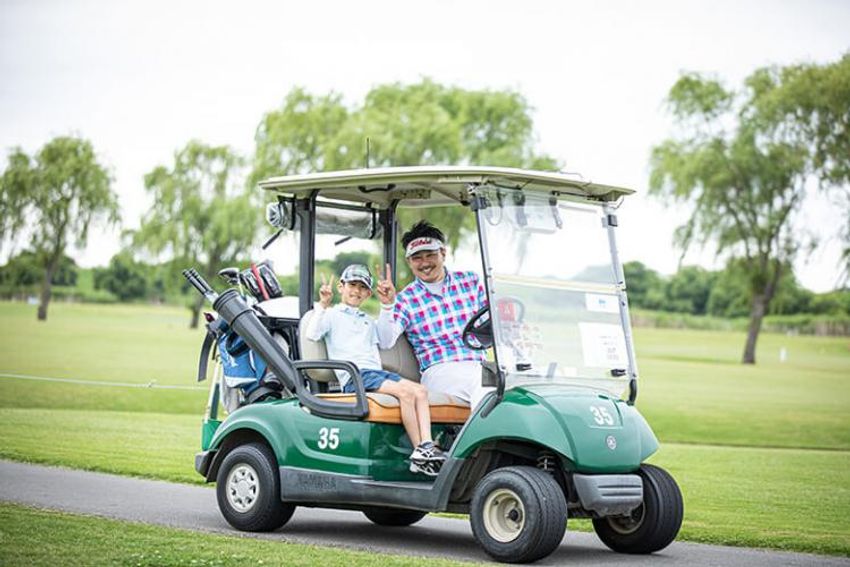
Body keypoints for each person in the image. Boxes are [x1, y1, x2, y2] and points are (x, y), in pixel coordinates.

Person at [305, 264, 444, 476]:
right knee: (406, 393)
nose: (356, 291)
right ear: (341, 287)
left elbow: (386, 340)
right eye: (352, 285)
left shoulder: (367, 321)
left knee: (421, 391)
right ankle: (420, 450)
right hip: (355, 376)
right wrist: (323, 305)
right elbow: (313, 334)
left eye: (362, 287)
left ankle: (425, 446)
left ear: (368, 293)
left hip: (374, 373)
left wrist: (388, 305)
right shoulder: (332, 315)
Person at [375, 221, 492, 410]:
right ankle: (489, 440)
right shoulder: (406, 299)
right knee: (486, 387)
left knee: (515, 383)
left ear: (443, 253)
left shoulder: (470, 281)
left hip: (478, 363)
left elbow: (491, 321)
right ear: (409, 262)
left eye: (430, 255)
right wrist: (387, 305)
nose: (425, 263)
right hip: (440, 370)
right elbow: (385, 341)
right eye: (417, 258)